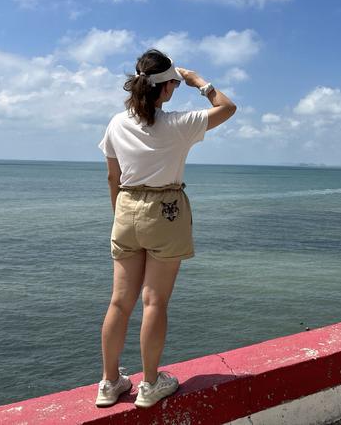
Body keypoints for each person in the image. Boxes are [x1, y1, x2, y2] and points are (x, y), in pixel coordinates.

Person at [95, 49, 236, 408]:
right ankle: (150, 384)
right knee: (154, 301)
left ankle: (110, 383)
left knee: (119, 301)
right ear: (167, 88)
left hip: (125, 209)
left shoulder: (116, 123)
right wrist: (200, 82)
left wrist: (120, 214)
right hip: (166, 210)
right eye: (173, 82)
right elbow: (228, 107)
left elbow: (113, 176)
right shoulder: (178, 124)